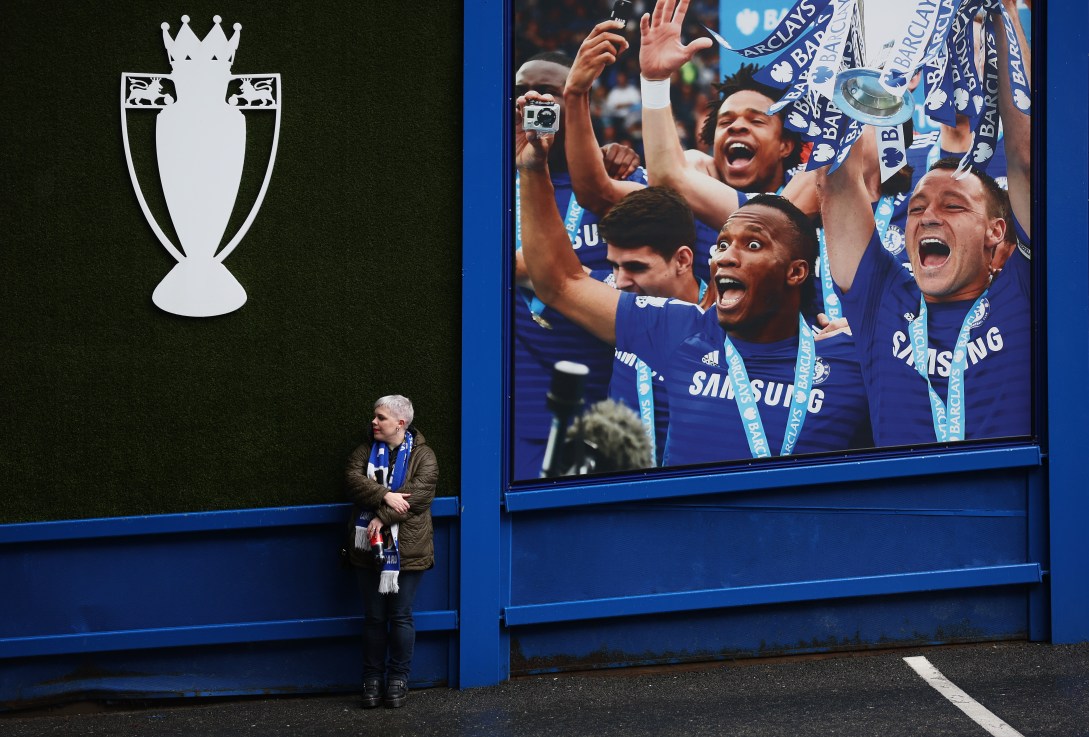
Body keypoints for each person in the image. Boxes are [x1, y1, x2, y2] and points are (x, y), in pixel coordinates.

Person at [516, 93, 872, 466]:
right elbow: (559, 282)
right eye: (720, 245)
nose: (727, 257)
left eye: (752, 244)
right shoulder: (680, 329)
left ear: (796, 271)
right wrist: (533, 169)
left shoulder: (852, 355)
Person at [512, 51, 648, 480]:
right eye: (520, 93)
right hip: (519, 400)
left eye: (549, 93)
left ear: (578, 103)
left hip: (602, 398)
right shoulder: (489, 182)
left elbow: (651, 278)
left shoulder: (613, 188)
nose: (531, 100)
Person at [599, 185, 705, 465]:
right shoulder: (612, 297)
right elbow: (550, 276)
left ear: (682, 260)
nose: (620, 282)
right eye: (614, 266)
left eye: (636, 267)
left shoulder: (725, 325)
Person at [344, 395, 438, 709]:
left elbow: (419, 497)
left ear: (400, 423)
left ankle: (398, 678)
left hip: (409, 550)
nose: (374, 422)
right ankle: (372, 679)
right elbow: (353, 482)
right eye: (375, 416)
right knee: (373, 617)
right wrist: (386, 494)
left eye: (381, 417)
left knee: (400, 616)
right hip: (367, 550)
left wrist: (382, 516)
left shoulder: (424, 456)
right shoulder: (363, 452)